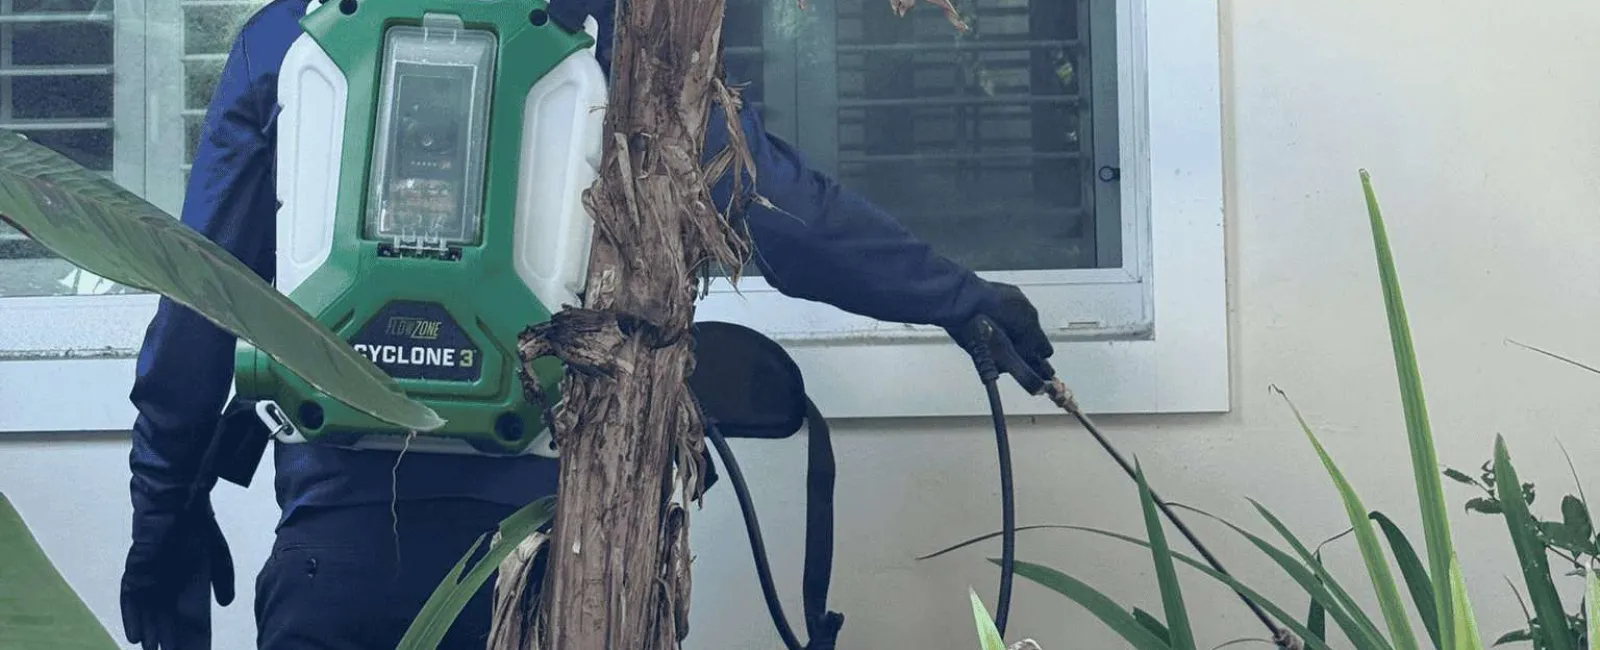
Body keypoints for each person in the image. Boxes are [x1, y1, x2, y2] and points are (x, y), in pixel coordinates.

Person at [118, 0, 1056, 648]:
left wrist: (163, 512)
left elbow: (201, 307)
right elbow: (779, 210)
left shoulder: (293, 38)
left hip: (339, 558)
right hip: (563, 560)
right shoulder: (619, 46)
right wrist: (959, 299)